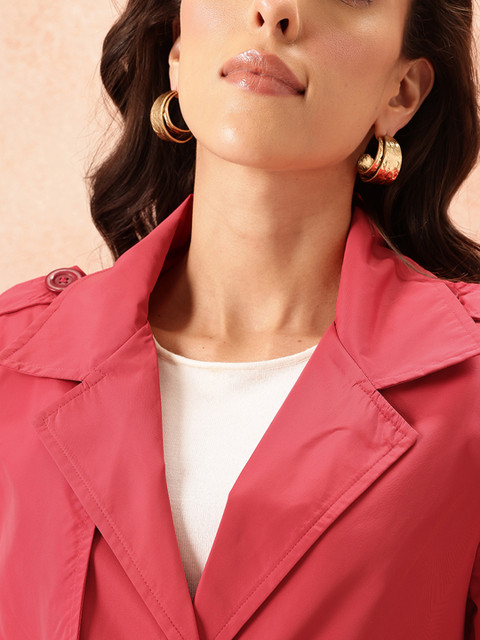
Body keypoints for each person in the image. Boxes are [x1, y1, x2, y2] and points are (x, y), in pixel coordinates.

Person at [1, 0, 480, 638]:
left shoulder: (469, 390)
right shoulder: (12, 364)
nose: (274, 10)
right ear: (177, 48)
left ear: (402, 91)